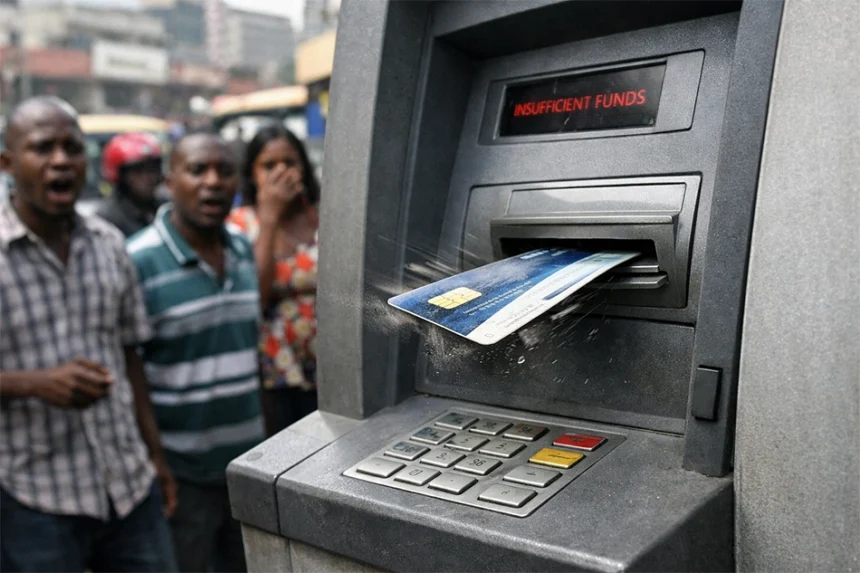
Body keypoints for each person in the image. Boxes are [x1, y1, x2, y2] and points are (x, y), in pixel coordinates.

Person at [0, 96, 178, 572]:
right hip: (34, 499)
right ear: (8, 164)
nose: (61, 160)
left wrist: (156, 457)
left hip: (129, 485)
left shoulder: (109, 245)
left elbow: (130, 358)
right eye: (43, 148)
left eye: (72, 148)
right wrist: (35, 384)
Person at [127, 133, 265, 573]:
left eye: (225, 172)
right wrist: (155, 461)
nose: (213, 182)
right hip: (181, 477)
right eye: (197, 170)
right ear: (170, 182)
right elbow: (129, 370)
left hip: (246, 466)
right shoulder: (137, 260)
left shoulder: (242, 246)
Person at [227, 125, 320, 436]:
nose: (281, 172)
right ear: (252, 174)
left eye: (289, 162)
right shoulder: (239, 224)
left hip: (330, 362)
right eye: (269, 166)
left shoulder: (325, 215)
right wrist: (269, 218)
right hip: (276, 372)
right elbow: (257, 297)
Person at [95, 132, 164, 237]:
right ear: (121, 177)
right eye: (138, 171)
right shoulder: (107, 218)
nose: (148, 178)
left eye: (152, 170)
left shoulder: (166, 207)